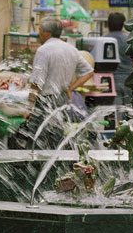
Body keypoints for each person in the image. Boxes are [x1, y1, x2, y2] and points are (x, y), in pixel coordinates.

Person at [27, 17, 93, 147]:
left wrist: (29, 107)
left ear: (47, 33)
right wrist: (70, 88)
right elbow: (89, 72)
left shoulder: (43, 50)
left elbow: (37, 82)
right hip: (63, 98)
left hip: (46, 100)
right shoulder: (71, 49)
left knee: (36, 138)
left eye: (40, 30)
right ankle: (55, 164)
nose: (38, 33)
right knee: (56, 137)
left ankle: (36, 164)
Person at [105, 11, 133, 107]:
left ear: (108, 24)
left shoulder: (103, 40)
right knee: (129, 112)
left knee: (116, 113)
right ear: (123, 24)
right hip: (129, 79)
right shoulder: (130, 40)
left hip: (111, 81)